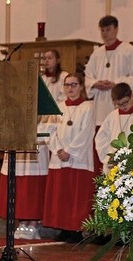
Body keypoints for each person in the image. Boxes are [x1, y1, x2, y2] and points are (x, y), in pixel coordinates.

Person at [42, 73, 96, 243]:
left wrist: (70, 151)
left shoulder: (88, 107)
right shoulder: (57, 107)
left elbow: (87, 132)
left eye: (74, 85)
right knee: (62, 195)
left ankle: (77, 230)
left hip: (79, 158)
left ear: (81, 87)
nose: (70, 89)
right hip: (59, 159)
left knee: (77, 196)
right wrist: (58, 150)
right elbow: (49, 130)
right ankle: (63, 228)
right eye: (67, 85)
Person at [84, 15, 133, 125]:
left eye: (108, 29)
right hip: (101, 103)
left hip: (121, 100)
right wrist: (95, 84)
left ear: (116, 29)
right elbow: (88, 75)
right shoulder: (97, 53)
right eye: (102, 30)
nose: (105, 33)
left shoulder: (127, 49)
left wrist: (117, 84)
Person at [94, 82, 133, 174]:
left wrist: (128, 157)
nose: (123, 106)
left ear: (132, 96)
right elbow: (101, 139)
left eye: (125, 102)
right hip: (114, 164)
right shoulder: (111, 116)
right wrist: (111, 156)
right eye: (119, 104)